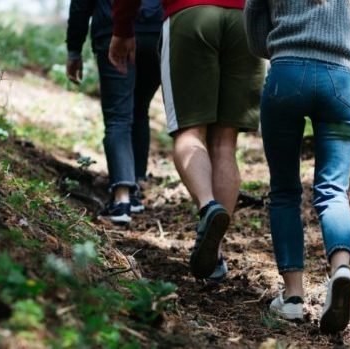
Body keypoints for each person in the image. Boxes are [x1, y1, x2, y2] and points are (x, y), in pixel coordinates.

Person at [109, 0, 264, 280]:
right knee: (225, 144)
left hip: (190, 14)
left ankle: (208, 206)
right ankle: (215, 255)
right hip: (244, 20)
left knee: (189, 131)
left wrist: (122, 28)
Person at [244, 0, 350, 333]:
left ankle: (293, 298)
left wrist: (283, 44)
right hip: (341, 81)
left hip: (287, 75)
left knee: (284, 191)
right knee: (333, 191)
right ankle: (341, 270)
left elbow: (254, 23)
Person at [66, 0, 163, 224]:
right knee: (139, 109)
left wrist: (74, 50)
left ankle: (122, 200)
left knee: (118, 117)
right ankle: (134, 189)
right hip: (155, 32)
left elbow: (80, 5)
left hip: (113, 30)